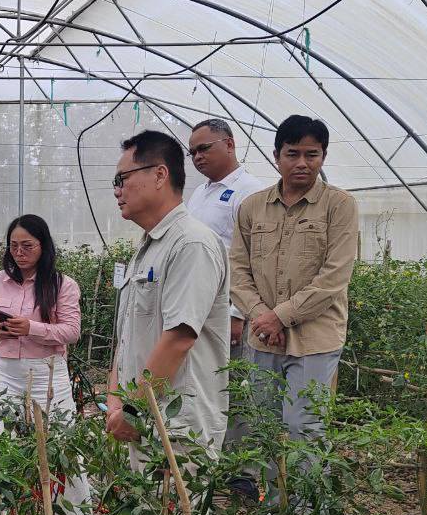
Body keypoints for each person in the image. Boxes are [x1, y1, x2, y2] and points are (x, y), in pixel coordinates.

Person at [230, 115, 358, 441]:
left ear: (323, 156)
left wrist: (279, 317)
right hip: (264, 337)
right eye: (292, 154)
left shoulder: (339, 205)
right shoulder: (252, 207)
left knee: (304, 427)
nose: (302, 163)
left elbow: (334, 277)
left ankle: (307, 480)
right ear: (276, 156)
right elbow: (237, 271)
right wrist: (262, 317)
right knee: (264, 426)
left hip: (315, 338)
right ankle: (273, 481)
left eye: (311, 154)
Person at [105, 131, 231, 455]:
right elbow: (127, 337)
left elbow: (179, 338)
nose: (117, 190)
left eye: (122, 179)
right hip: (143, 420)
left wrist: (133, 411)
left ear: (160, 175)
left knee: (176, 493)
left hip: (178, 429)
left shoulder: (191, 244)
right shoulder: (147, 249)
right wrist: (116, 401)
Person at [0, 214, 90, 515]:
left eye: (27, 246)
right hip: (5, 371)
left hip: (47, 373)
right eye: (14, 246)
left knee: (65, 443)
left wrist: (31, 328)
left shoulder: (62, 285)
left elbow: (71, 331)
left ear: (43, 246)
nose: (19, 252)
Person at [183, 118, 268, 354]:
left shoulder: (250, 191)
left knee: (230, 369)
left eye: (204, 148)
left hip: (229, 303)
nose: (197, 156)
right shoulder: (200, 192)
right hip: (199, 299)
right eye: (192, 152)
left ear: (229, 144)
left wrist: (237, 313)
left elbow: (257, 256)